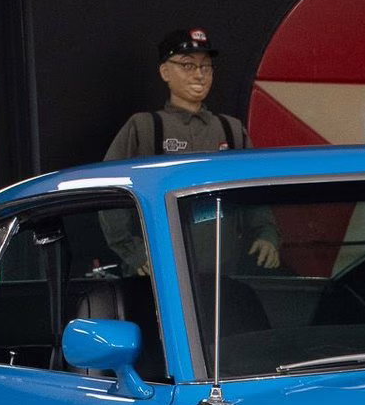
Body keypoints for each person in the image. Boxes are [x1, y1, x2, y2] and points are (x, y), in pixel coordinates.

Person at [101, 28, 279, 272]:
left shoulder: (230, 130)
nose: (199, 75)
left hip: (223, 272)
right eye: (187, 66)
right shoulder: (146, 128)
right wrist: (134, 251)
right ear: (165, 71)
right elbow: (110, 190)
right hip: (161, 273)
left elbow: (255, 189)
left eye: (205, 67)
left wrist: (266, 234)